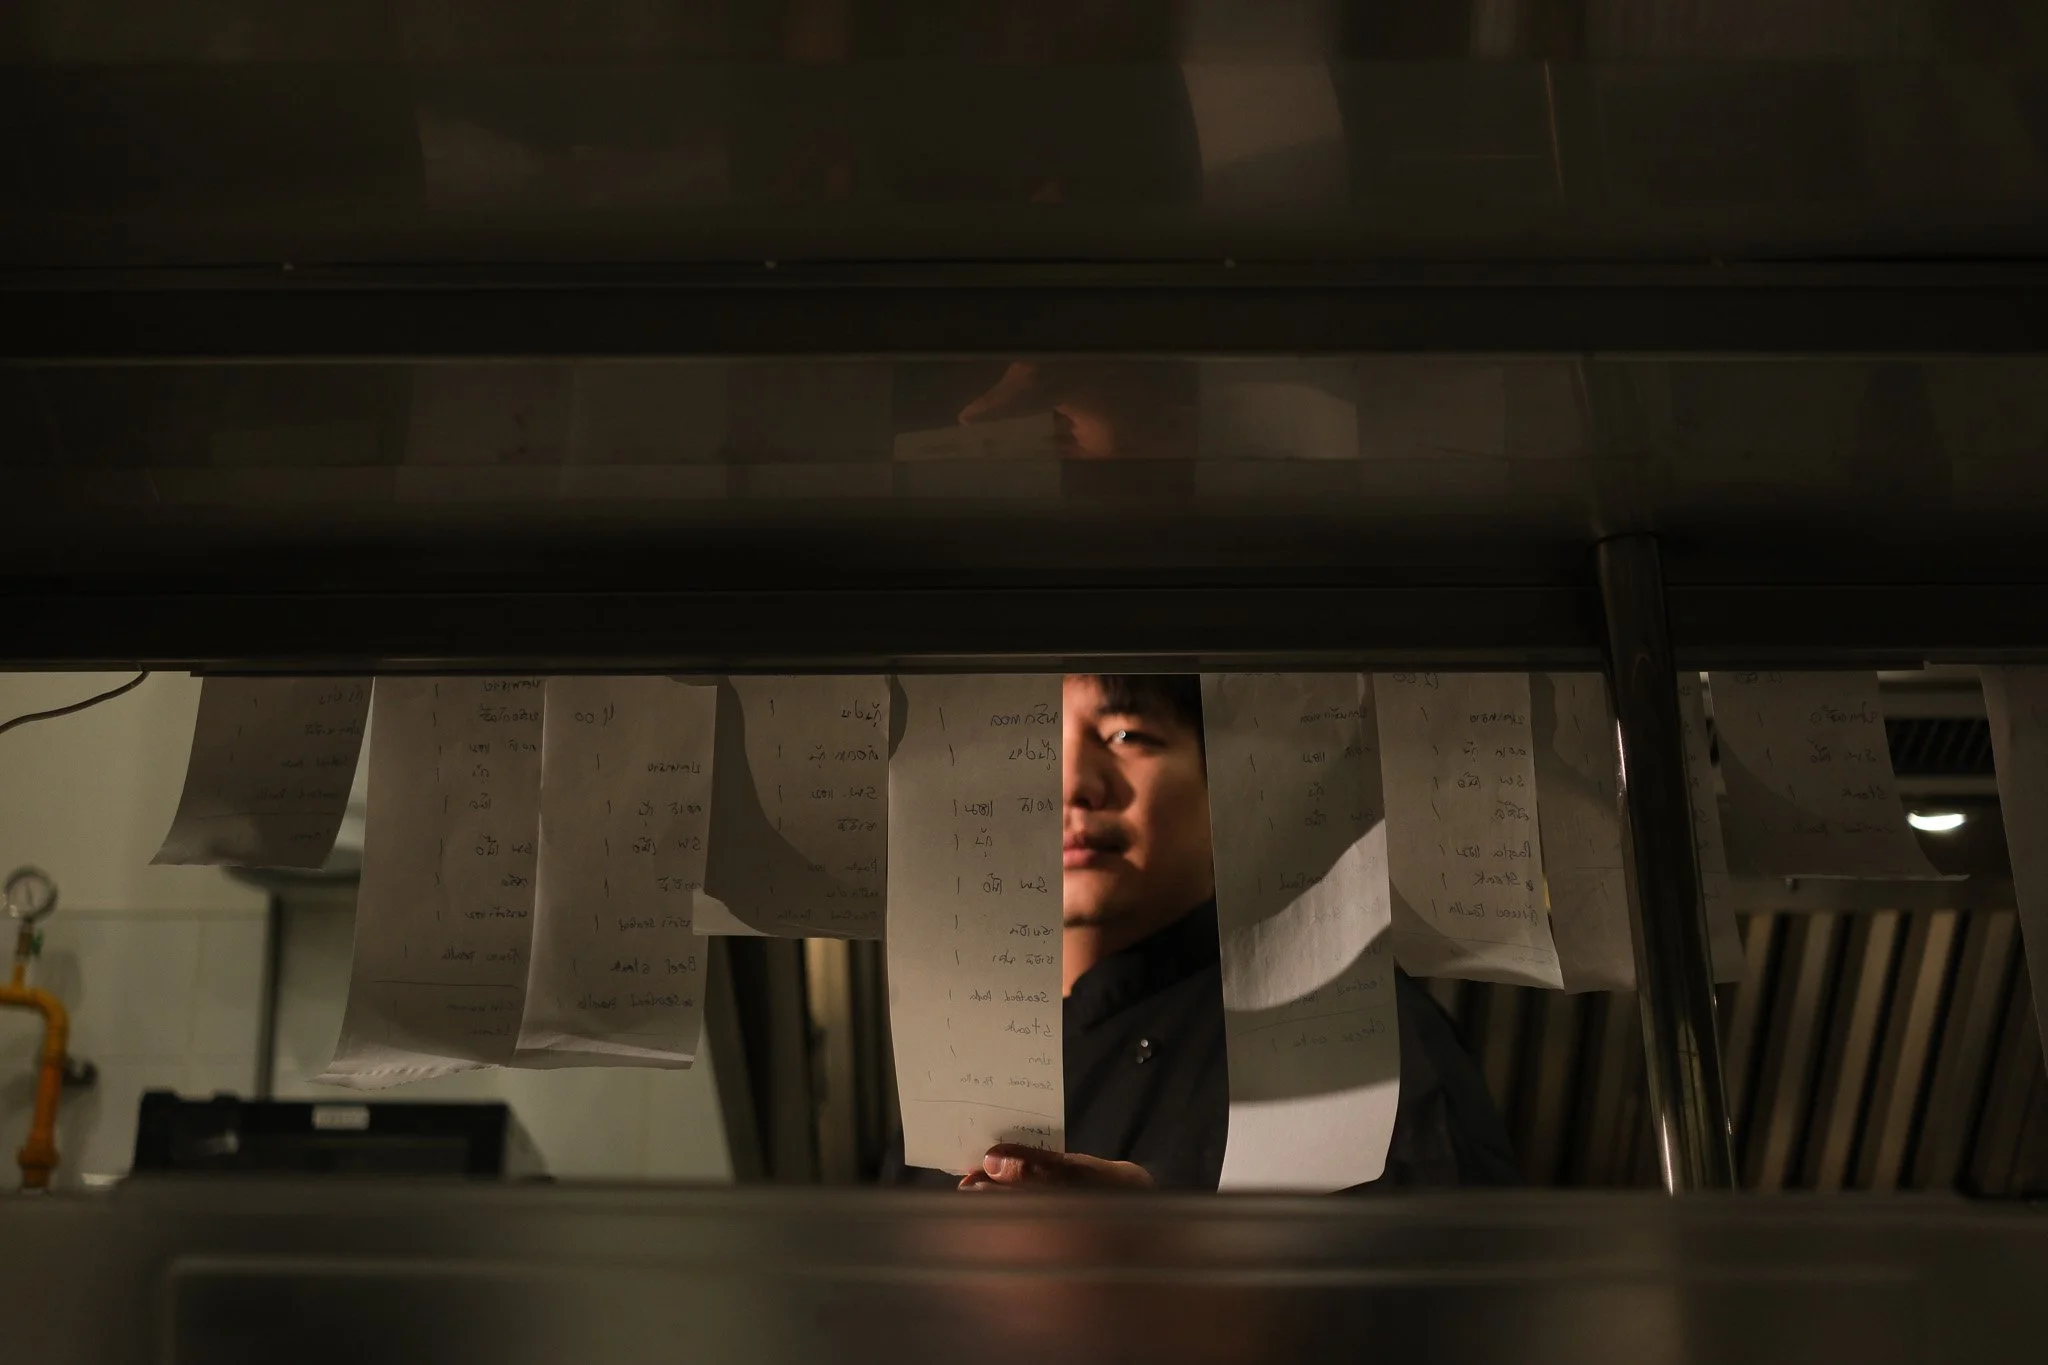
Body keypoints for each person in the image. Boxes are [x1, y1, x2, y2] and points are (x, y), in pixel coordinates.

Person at [882, 673, 1518, 1191]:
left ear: (1229, 784)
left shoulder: (1361, 1031)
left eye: (1127, 734)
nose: (1072, 784)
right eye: (1031, 744)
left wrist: (1174, 1247)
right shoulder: (959, 1042)